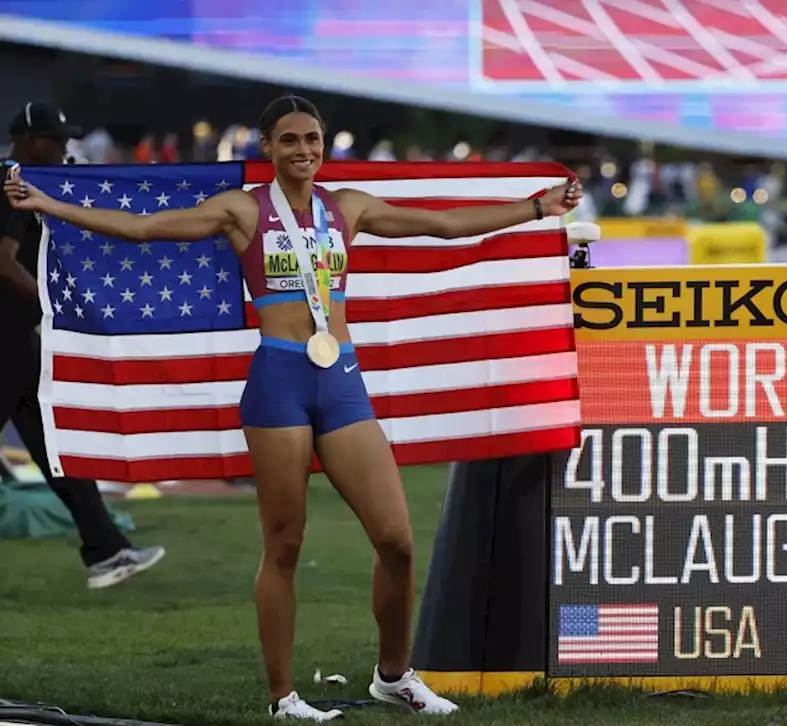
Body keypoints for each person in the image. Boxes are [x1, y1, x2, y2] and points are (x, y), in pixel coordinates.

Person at [5, 94, 582, 721]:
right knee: (283, 545)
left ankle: (395, 675)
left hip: (341, 381)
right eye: (289, 140)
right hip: (278, 381)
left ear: (324, 144)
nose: (303, 150)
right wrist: (48, 204)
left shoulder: (348, 208)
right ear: (268, 147)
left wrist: (535, 208)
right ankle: (283, 697)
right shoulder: (242, 210)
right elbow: (145, 229)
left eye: (313, 138)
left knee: (396, 541)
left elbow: (440, 225)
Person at [0, 101, 166, 589]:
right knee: (56, 445)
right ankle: (107, 550)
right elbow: (2, 259)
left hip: (15, 339)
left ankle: (107, 551)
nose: (65, 147)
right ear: (29, 141)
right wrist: (46, 298)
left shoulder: (26, 182)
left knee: (57, 448)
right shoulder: (11, 182)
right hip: (4, 337)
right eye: (57, 139)